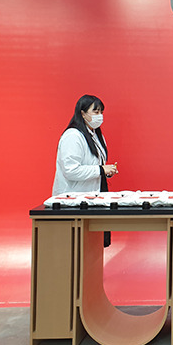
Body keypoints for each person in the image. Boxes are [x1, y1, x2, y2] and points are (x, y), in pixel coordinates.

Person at [52, 94, 119, 246]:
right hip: (73, 199)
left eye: (101, 112)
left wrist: (106, 171)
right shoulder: (73, 136)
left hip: (94, 196)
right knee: (77, 243)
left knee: (93, 244)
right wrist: (100, 170)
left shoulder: (96, 136)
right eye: (95, 112)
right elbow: (71, 171)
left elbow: (96, 165)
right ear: (82, 113)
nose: (99, 116)